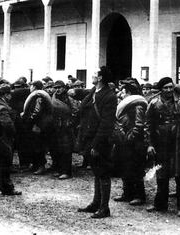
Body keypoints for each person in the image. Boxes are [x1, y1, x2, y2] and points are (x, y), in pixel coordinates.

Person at [145, 77, 180, 217]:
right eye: (165, 88)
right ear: (161, 89)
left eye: (171, 87)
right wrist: (149, 144)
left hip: (178, 139)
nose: (169, 90)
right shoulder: (153, 102)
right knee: (161, 172)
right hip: (160, 139)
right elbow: (148, 125)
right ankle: (160, 204)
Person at [77, 66, 117, 219]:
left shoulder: (109, 96)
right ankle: (96, 203)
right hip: (90, 138)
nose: (92, 76)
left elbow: (106, 124)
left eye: (94, 74)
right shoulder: (94, 92)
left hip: (100, 141)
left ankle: (104, 208)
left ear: (100, 78)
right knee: (96, 170)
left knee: (103, 172)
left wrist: (96, 144)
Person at [112, 79, 148, 206]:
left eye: (123, 90)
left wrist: (130, 137)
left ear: (129, 92)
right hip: (126, 139)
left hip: (134, 141)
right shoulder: (128, 103)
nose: (121, 93)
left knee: (135, 168)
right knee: (125, 166)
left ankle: (139, 195)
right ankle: (127, 193)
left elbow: (139, 124)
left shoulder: (137, 104)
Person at [21, 80, 53, 175]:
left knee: (38, 146)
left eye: (31, 86)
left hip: (38, 125)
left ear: (34, 87)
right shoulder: (38, 96)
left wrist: (29, 119)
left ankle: (41, 166)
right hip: (37, 124)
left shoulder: (39, 97)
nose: (30, 88)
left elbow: (37, 111)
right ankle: (35, 165)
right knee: (33, 145)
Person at [50, 80, 78, 179]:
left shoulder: (69, 99)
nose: (57, 90)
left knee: (66, 150)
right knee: (57, 149)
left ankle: (66, 171)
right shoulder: (52, 99)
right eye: (56, 88)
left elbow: (75, 112)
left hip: (66, 128)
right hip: (56, 126)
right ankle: (58, 169)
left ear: (64, 88)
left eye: (59, 87)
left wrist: (70, 122)